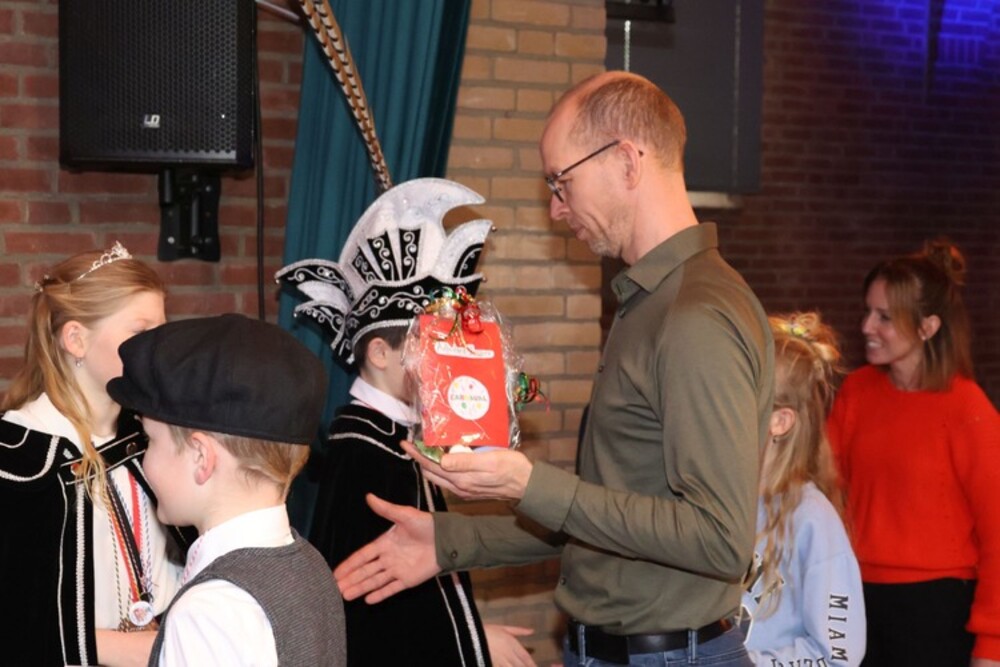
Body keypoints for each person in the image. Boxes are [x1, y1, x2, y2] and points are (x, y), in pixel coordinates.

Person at [335, 71, 775, 666]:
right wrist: (451, 540)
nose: (555, 207)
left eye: (561, 181)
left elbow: (717, 539)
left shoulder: (694, 314)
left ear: (627, 161)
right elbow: (616, 517)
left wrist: (528, 485)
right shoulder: (651, 302)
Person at [278, 177, 533, 666]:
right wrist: (475, 645)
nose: (445, 360)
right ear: (380, 353)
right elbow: (374, 614)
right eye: (428, 345)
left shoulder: (393, 436)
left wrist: (472, 632)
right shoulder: (366, 451)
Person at [106, 313, 347, 666]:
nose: (145, 461)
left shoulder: (208, 611)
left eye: (150, 441)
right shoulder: (311, 566)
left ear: (201, 456)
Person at [0, 242, 186, 667]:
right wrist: (125, 649)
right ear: (76, 340)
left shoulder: (150, 437)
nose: (157, 350)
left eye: (161, 333)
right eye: (141, 333)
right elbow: (15, 619)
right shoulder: (19, 459)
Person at [827, 240, 1000, 667]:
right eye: (867, 311)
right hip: (854, 597)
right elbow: (820, 491)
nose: (866, 326)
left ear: (928, 326)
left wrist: (992, 645)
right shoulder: (857, 391)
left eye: (884, 317)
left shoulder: (967, 409)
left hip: (936, 611)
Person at [740, 312, 865, 665]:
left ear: (779, 421)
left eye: (738, 398)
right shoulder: (723, 499)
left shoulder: (812, 520)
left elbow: (838, 654)